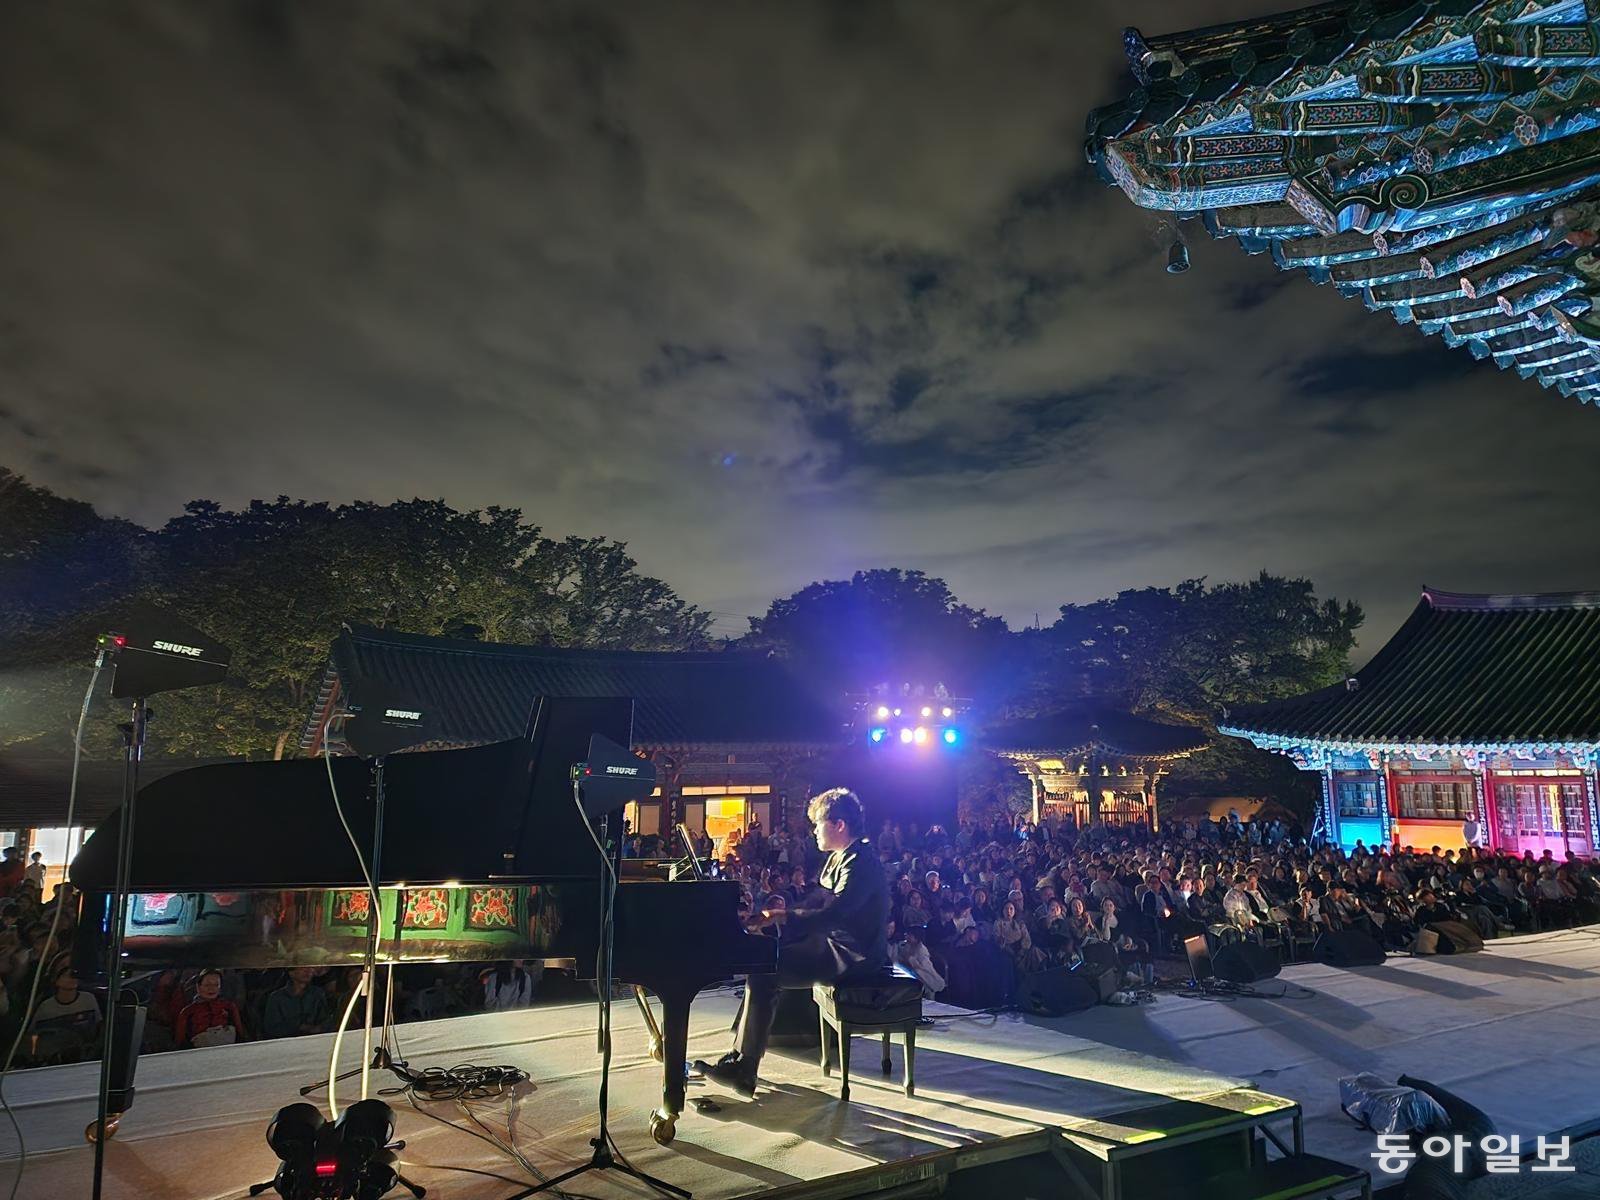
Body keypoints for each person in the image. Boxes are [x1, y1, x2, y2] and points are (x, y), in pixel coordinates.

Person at [695, 788, 888, 1097]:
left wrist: (783, 916)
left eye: (818, 824)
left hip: (854, 955)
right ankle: (740, 1060)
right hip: (835, 945)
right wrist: (772, 916)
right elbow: (816, 900)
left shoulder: (862, 862)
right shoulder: (840, 857)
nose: (814, 832)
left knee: (765, 972)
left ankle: (745, 1068)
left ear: (839, 825)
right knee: (765, 962)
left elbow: (835, 913)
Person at [174, 969, 248, 1047]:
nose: (212, 988)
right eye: (207, 985)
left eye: (216, 985)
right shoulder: (188, 1011)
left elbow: (240, 1033)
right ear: (198, 987)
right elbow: (180, 1041)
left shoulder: (229, 1006)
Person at [261, 967, 332, 1038]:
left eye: (311, 968)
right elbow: (271, 1028)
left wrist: (319, 1028)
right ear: (291, 972)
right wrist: (298, 1026)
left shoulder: (317, 993)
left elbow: (326, 1019)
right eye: (302, 968)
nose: (308, 971)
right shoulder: (276, 997)